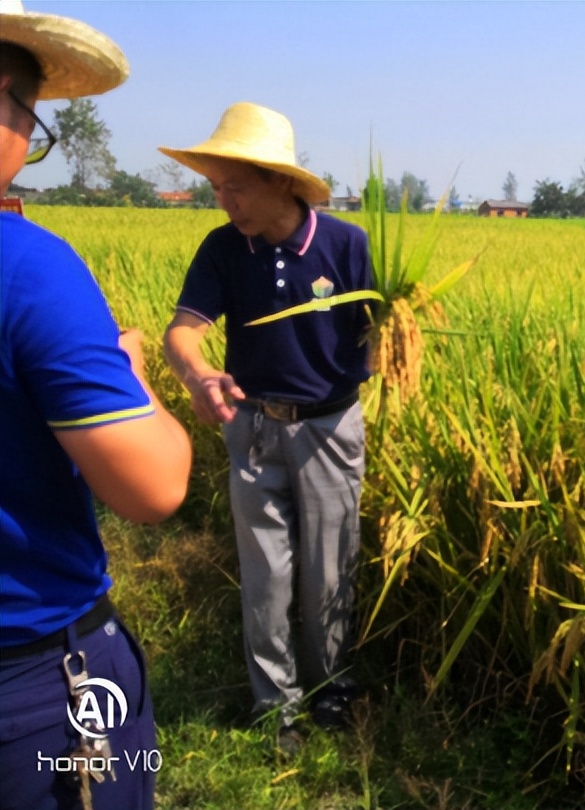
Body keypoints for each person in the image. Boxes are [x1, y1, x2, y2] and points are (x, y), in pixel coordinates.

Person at [0, 2, 193, 808]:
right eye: (30, 117)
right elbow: (152, 489)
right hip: (35, 683)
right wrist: (136, 376)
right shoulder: (30, 270)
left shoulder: (340, 245)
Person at [159, 102, 376, 754]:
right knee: (267, 574)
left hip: (329, 430)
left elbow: (382, 332)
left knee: (331, 571)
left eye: (237, 186)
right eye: (217, 186)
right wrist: (198, 376)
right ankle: (274, 706)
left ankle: (333, 690)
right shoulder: (225, 249)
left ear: (281, 181)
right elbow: (183, 333)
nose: (225, 201)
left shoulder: (345, 246)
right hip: (252, 428)